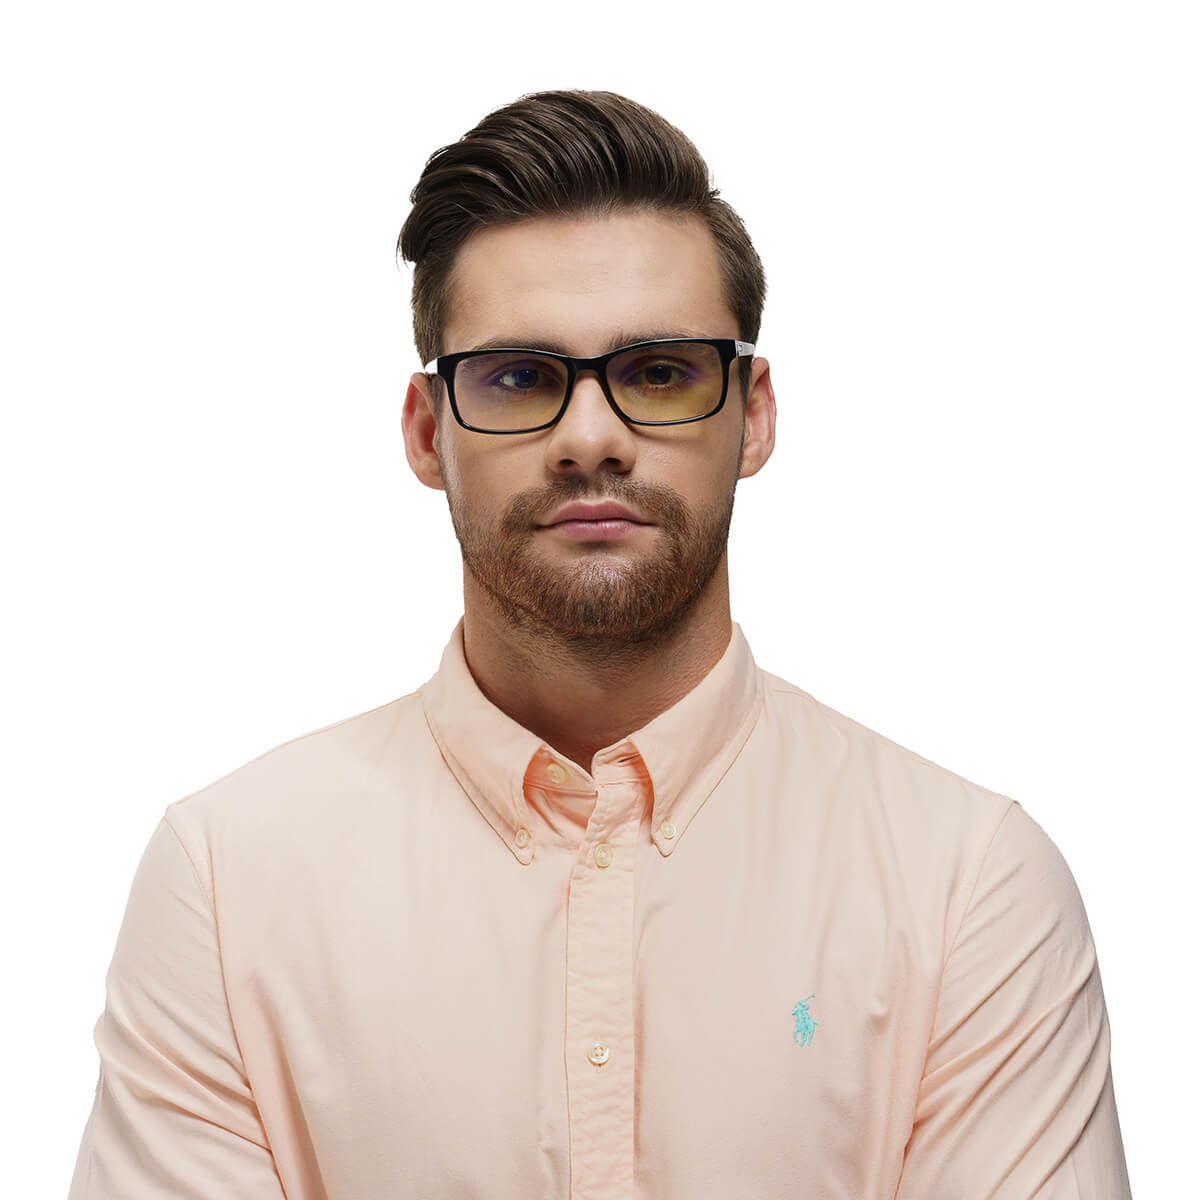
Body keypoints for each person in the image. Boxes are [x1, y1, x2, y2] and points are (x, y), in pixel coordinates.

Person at [68, 88, 1132, 1198]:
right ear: (428, 432)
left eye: (659, 372)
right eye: (518, 377)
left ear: (754, 413)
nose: (590, 438)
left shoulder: (968, 885)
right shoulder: (228, 883)